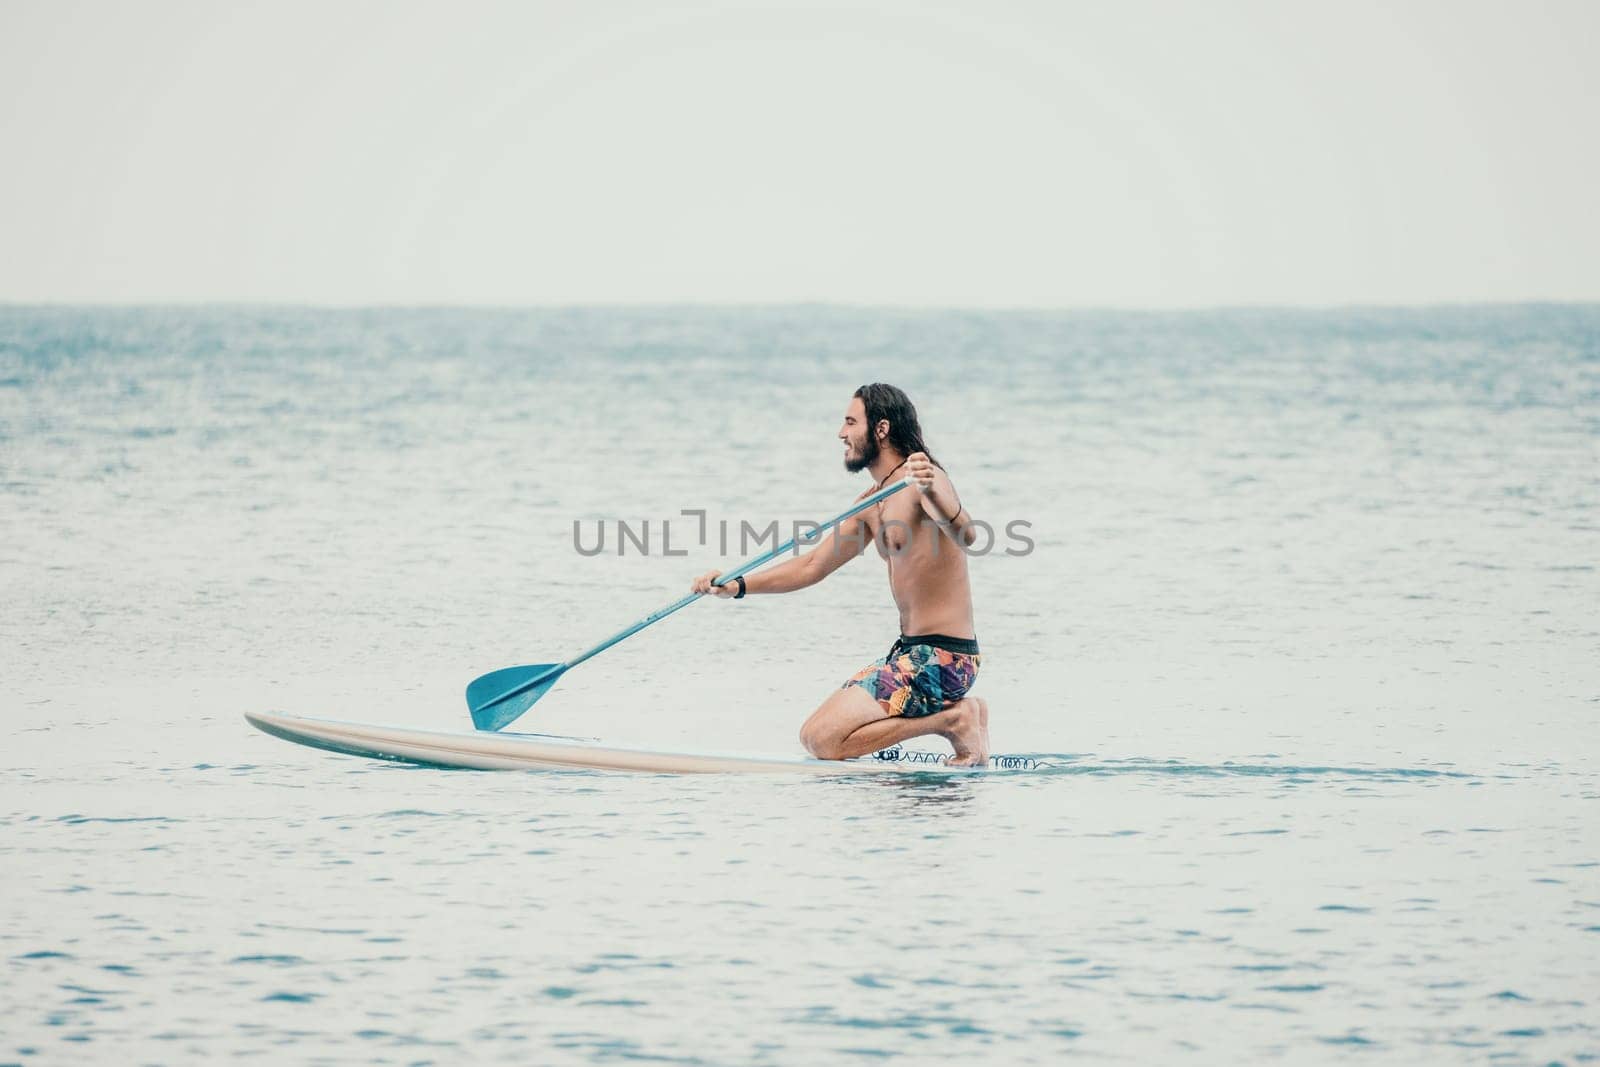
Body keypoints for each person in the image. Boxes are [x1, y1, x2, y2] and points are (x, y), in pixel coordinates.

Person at [691, 383, 989, 765]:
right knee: (815, 736)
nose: (841, 433)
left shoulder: (923, 478)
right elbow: (812, 566)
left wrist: (932, 492)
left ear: (881, 429)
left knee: (822, 741)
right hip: (909, 655)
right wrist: (738, 585)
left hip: (945, 658)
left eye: (850, 422)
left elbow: (967, 534)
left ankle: (953, 720)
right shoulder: (871, 502)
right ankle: (958, 718)